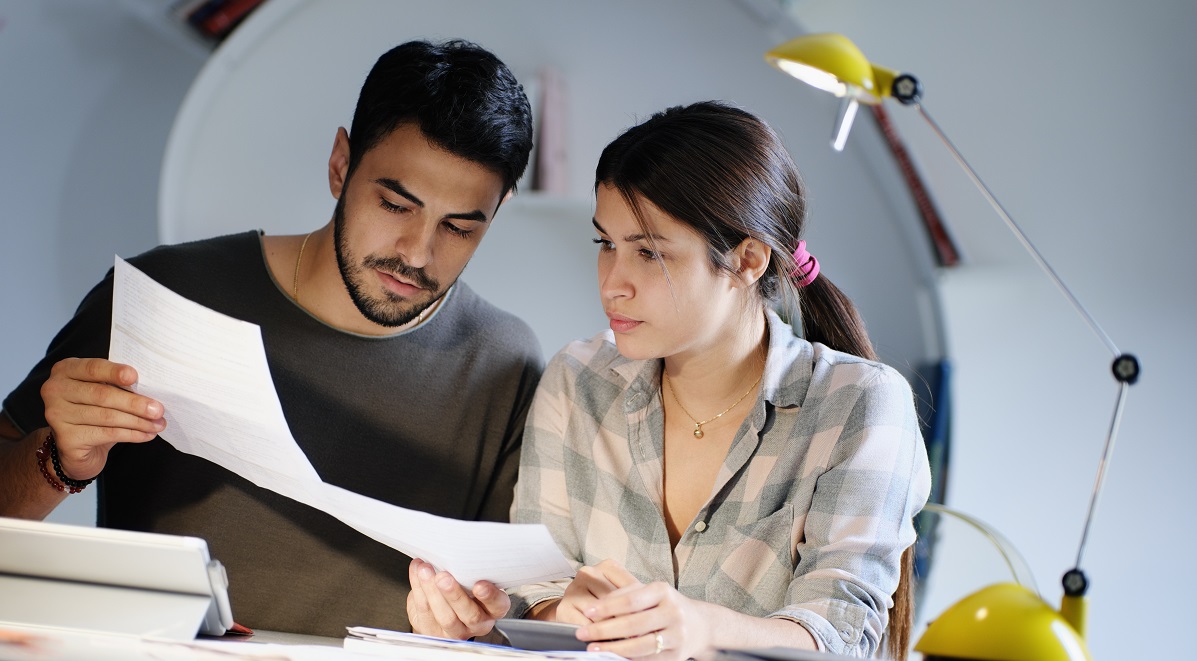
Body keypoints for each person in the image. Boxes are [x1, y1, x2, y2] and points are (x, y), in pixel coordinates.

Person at [0, 39, 541, 637]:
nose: (417, 253)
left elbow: (514, 612)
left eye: (459, 228)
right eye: (394, 205)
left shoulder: (504, 365)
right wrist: (60, 459)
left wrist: (476, 624)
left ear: (498, 210)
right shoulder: (167, 291)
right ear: (340, 164)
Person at [405, 101, 931, 660]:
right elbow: (534, 595)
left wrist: (702, 628)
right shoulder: (578, 380)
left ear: (748, 260)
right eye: (606, 244)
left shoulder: (861, 404)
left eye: (649, 252)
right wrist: (558, 612)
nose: (613, 284)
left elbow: (844, 635)